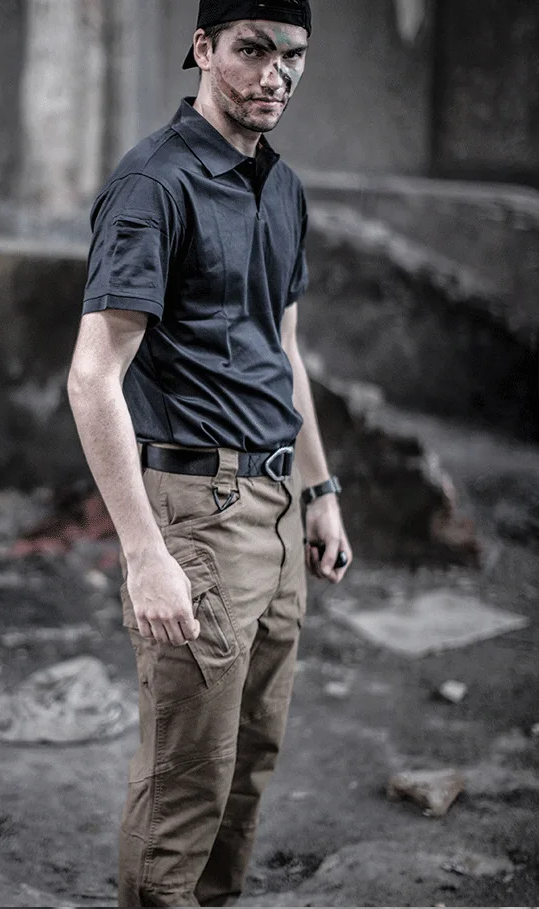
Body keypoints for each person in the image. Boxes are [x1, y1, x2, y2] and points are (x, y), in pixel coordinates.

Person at [67, 1, 352, 904]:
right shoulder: (155, 185)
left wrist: (320, 490)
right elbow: (92, 378)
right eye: (252, 49)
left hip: (278, 506)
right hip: (199, 511)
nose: (276, 74)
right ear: (203, 49)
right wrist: (144, 552)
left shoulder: (283, 186)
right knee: (187, 775)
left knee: (251, 758)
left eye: (292, 54)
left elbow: (284, 350)